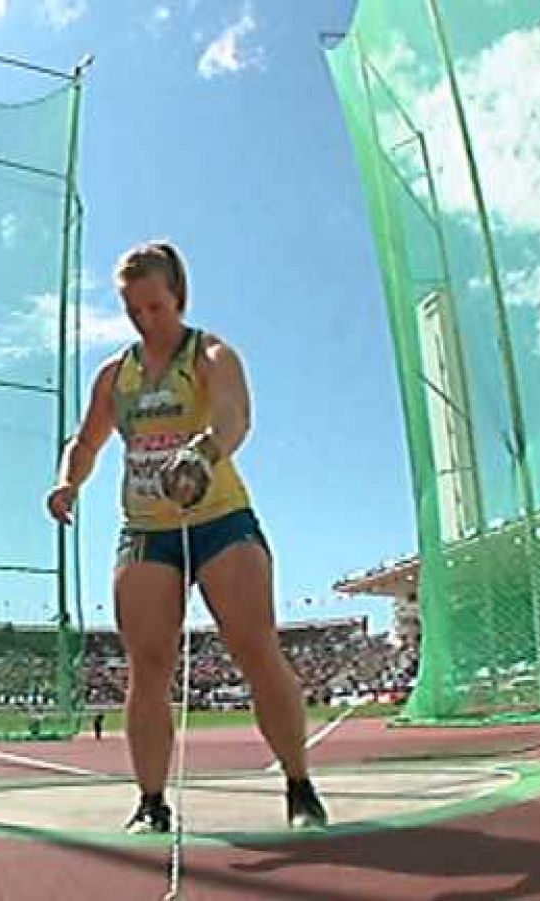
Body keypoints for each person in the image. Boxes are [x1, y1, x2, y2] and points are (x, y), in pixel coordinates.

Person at [45, 240, 327, 833]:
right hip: (148, 531)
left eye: (156, 306)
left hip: (220, 519)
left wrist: (199, 454)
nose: (146, 320)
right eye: (133, 310)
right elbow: (87, 441)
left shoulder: (210, 353)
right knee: (147, 665)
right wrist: (68, 481)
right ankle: (151, 802)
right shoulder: (113, 375)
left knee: (254, 647)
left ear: (177, 296)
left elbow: (235, 415)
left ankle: (299, 784)